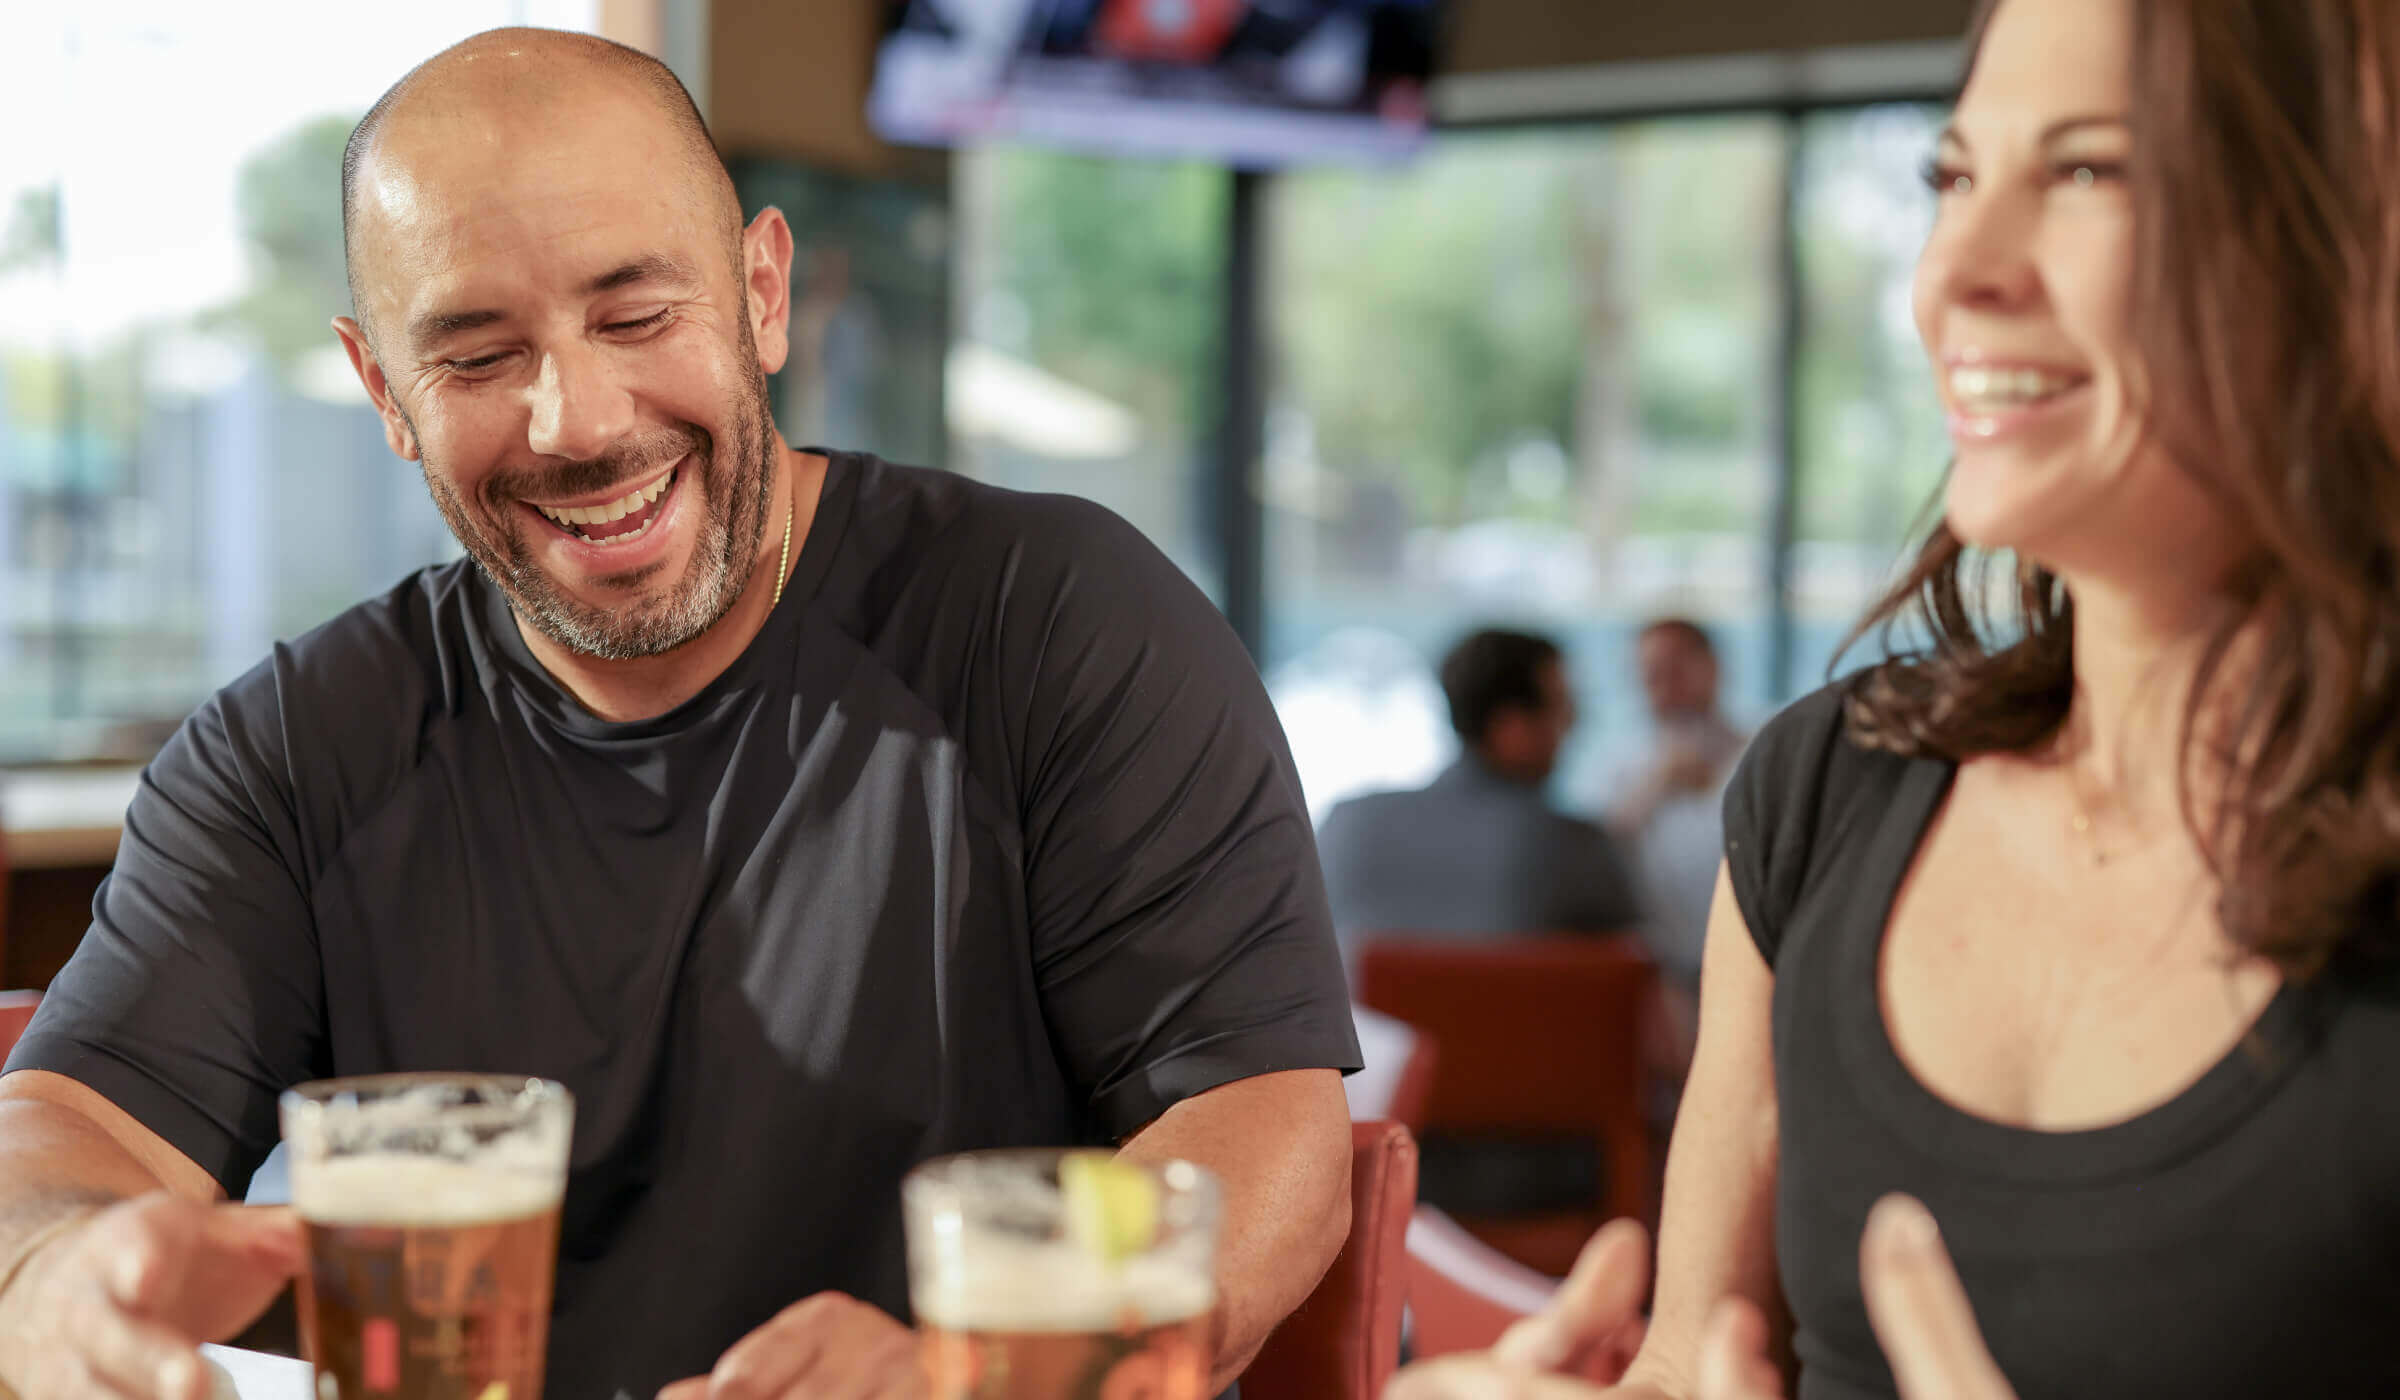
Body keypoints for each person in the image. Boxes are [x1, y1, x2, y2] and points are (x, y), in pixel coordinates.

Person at [0, 29, 1359, 1400]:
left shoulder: (1058, 619)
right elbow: (57, 1140)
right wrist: (54, 1279)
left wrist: (1005, 1369)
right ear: (384, 393)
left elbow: (1259, 1122)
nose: (576, 421)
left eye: (637, 317)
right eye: (476, 356)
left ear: (763, 293)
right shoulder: (292, 752)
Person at [1392, 0, 2400, 1396]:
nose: (1953, 277)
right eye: (1953, 178)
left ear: (2350, 240)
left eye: (2090, 171)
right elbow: (1690, 1367)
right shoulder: (1826, 794)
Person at [1316, 628, 1642, 964]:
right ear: (1510, 727)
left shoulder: (1347, 825)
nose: (1574, 724)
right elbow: (1642, 978)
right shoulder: (1571, 846)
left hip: (1363, 1018)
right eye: (1562, 709)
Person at [1605, 619, 1746, 1059]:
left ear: (1714, 668)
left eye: (1677, 668)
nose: (1664, 686)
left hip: (1746, 969)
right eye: (1650, 674)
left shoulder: (1762, 753)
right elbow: (1596, 855)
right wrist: (1654, 787)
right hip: (1658, 978)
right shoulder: (1617, 768)